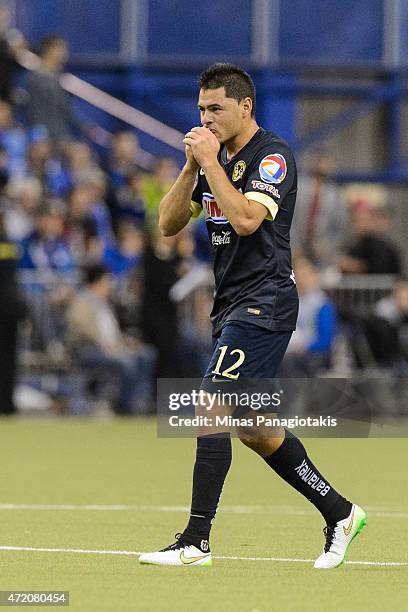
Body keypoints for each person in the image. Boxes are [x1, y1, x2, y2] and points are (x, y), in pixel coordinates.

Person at [139, 63, 366, 569]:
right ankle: (341, 512)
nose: (206, 118)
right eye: (201, 109)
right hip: (232, 303)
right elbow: (168, 225)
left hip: (265, 300)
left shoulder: (273, 157)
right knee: (257, 429)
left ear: (246, 106)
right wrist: (191, 167)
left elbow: (244, 221)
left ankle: (196, 540)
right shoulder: (211, 159)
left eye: (215, 108)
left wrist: (212, 164)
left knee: (209, 403)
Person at [66, 264, 156, 415]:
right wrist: (103, 344)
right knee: (126, 363)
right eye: (107, 281)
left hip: (113, 347)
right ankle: (124, 406)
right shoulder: (82, 301)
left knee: (147, 355)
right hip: (88, 349)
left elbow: (113, 332)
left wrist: (126, 342)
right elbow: (82, 327)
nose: (110, 285)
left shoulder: (106, 304)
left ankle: (138, 401)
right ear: (97, 282)